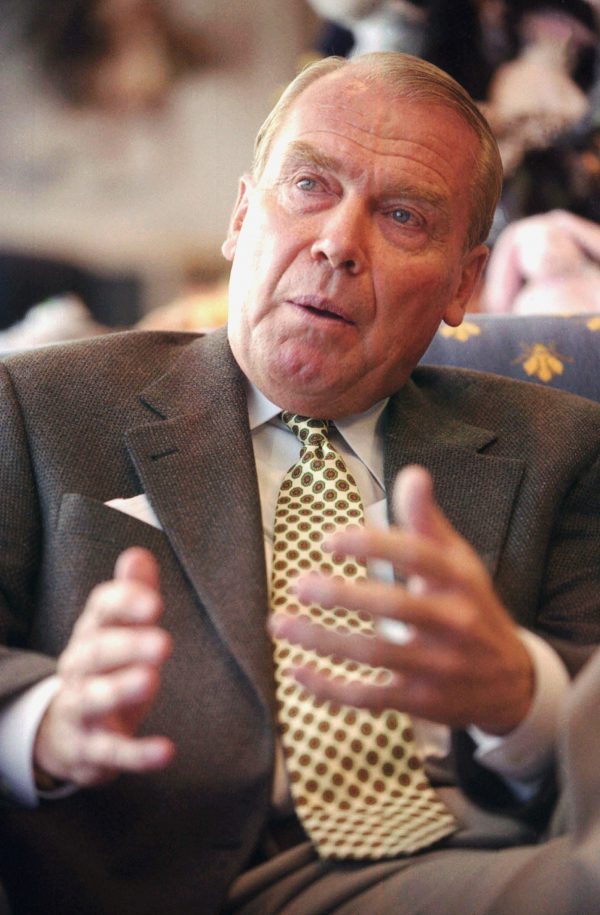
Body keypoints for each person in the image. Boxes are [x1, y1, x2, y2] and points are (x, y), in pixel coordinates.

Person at [0, 51, 599, 915]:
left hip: (478, 861)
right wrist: (45, 723)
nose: (338, 243)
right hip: (163, 870)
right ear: (243, 216)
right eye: (310, 185)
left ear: (465, 281)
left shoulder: (563, 446)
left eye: (402, 216)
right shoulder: (39, 404)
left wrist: (522, 696)